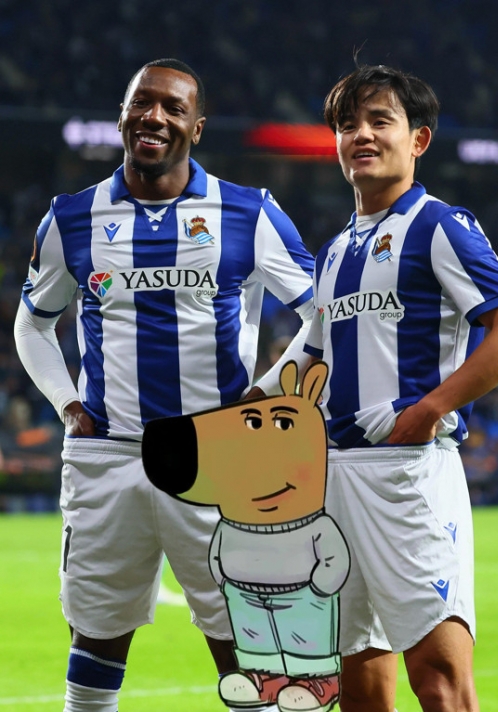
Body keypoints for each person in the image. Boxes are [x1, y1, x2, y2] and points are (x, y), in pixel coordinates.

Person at [14, 58, 314, 712]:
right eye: (141, 103)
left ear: (196, 127)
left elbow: (322, 317)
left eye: (173, 108)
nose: (154, 116)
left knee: (247, 649)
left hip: (218, 460)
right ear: (123, 116)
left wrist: (267, 391)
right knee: (95, 637)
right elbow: (31, 324)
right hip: (107, 457)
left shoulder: (249, 213)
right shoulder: (71, 218)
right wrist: (67, 402)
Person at [303, 63, 498, 712]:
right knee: (359, 684)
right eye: (347, 125)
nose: (361, 135)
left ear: (419, 140)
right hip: (336, 482)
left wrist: (431, 407)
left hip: (407, 475)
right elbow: (311, 363)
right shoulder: (333, 252)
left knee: (438, 681)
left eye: (379, 121)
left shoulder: (438, 225)